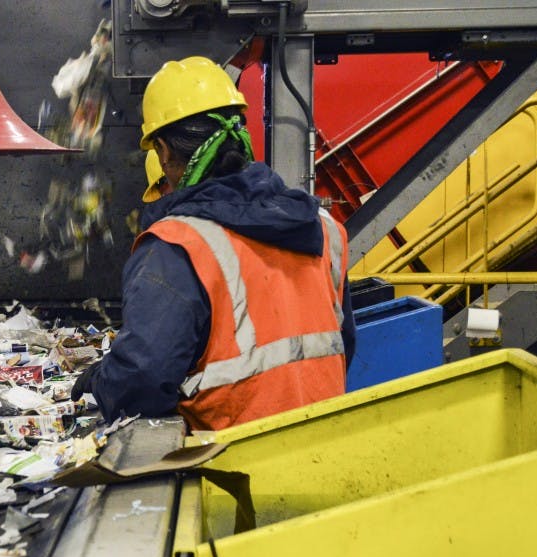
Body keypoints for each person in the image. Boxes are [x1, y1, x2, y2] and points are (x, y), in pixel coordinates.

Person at [73, 56, 356, 431]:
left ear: (164, 151)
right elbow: (342, 346)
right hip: (326, 446)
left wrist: (102, 381)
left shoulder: (176, 246)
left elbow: (141, 383)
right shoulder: (324, 228)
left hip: (231, 466)